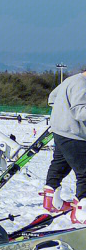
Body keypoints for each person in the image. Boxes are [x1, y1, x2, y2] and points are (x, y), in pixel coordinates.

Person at [44, 69, 86, 209]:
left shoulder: (70, 80)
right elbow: (80, 112)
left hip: (60, 131)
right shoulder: (82, 84)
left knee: (60, 164)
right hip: (74, 134)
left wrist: (61, 113)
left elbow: (52, 98)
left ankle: (51, 201)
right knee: (84, 172)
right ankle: (82, 210)